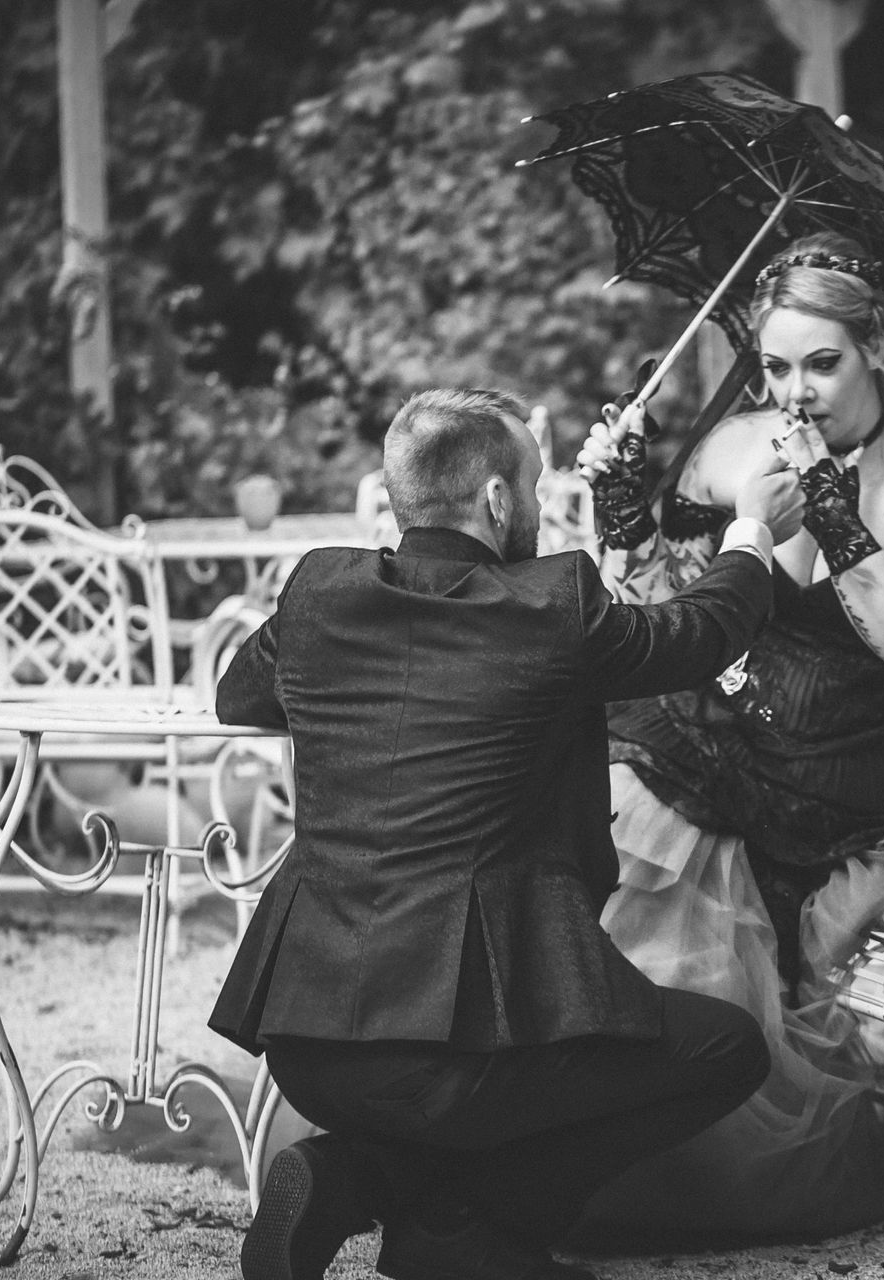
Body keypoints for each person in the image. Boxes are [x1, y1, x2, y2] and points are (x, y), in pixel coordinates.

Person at [208, 387, 808, 1280]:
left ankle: (353, 1175)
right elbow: (698, 632)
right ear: (496, 500)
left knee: (477, 1092)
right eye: (533, 482)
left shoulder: (321, 591)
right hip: (452, 1053)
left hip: (305, 1039)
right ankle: (446, 1220)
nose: (538, 501)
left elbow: (236, 696)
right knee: (725, 1049)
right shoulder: (549, 607)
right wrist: (752, 530)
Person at [570, 233, 884, 1243]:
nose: (793, 391)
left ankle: (694, 1156)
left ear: (877, 346)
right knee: (622, 815)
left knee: (700, 848)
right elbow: (669, 612)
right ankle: (556, 1119)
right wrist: (619, 505)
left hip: (867, 757)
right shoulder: (733, 445)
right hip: (737, 728)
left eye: (821, 362)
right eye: (776, 365)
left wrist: (836, 515)